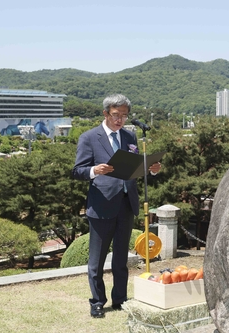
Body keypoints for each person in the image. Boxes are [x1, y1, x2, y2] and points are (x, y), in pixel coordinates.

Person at [72, 94, 150, 318]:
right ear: (106, 113)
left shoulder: (130, 136)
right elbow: (77, 171)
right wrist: (94, 170)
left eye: (125, 116)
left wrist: (149, 169)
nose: (121, 120)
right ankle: (97, 301)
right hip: (102, 205)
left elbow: (133, 167)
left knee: (120, 260)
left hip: (126, 204)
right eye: (116, 115)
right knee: (96, 261)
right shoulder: (89, 138)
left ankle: (120, 300)